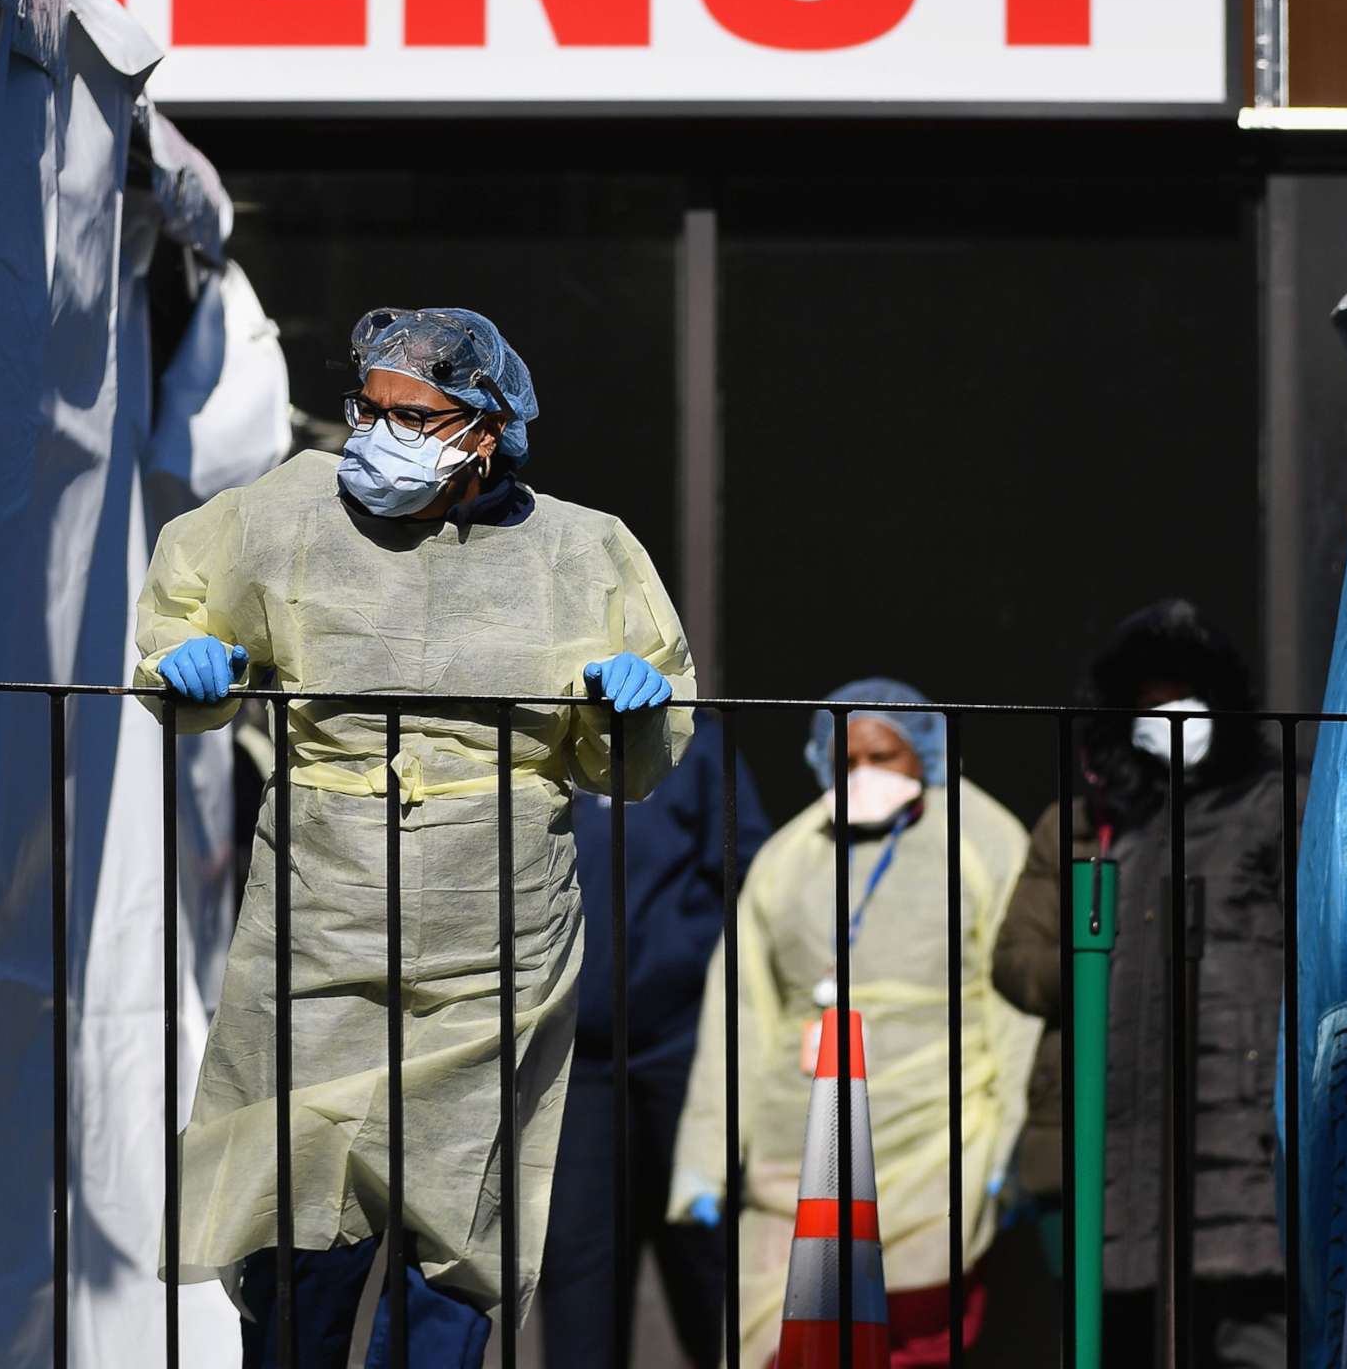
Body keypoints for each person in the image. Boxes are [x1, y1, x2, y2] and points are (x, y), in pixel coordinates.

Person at [137, 306, 695, 1369]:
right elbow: (181, 614)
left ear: (486, 431)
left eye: (415, 416)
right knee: (296, 1220)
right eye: (371, 409)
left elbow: (636, 740)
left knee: (458, 1231)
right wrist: (190, 666)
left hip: (498, 928)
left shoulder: (585, 551)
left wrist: (635, 706)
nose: (378, 435)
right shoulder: (287, 512)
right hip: (322, 915)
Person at [667, 679, 1040, 1369]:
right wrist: (704, 1159)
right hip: (795, 1156)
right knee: (779, 1342)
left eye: (883, 755)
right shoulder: (791, 857)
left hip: (937, 1147)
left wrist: (1010, 1144)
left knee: (914, 1344)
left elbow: (1015, 1007)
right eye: (845, 760)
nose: (861, 774)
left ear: (925, 754)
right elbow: (742, 1011)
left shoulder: (983, 841)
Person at [990, 600, 1288, 1369]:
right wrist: (1090, 975)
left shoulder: (1275, 804)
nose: (1169, 717)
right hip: (1134, 1143)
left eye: (1182, 697)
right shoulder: (1127, 830)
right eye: (1149, 705)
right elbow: (1015, 957)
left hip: (1243, 1136)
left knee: (1250, 1335)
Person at [540, 712, 770, 1369]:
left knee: (712, 1269)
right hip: (574, 1061)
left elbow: (749, 869)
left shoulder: (695, 738)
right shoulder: (543, 732)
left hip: (686, 1050)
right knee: (580, 1278)